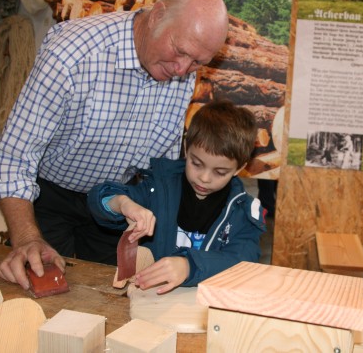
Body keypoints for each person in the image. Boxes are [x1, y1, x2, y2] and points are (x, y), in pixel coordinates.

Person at [0, 0, 229, 291]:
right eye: (180, 51)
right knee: (44, 292)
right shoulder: (71, 53)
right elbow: (13, 158)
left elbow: (162, 164)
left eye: (197, 62)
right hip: (50, 196)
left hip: (118, 204)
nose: (182, 69)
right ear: (157, 16)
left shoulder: (180, 68)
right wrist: (26, 238)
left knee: (109, 296)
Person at [87, 100, 266, 293]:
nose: (204, 178)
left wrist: (190, 266)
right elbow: (99, 199)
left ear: (239, 168)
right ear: (186, 147)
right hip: (149, 301)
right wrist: (122, 203)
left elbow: (244, 261)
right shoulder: (158, 187)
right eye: (196, 163)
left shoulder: (242, 212)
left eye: (220, 172)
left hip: (201, 309)